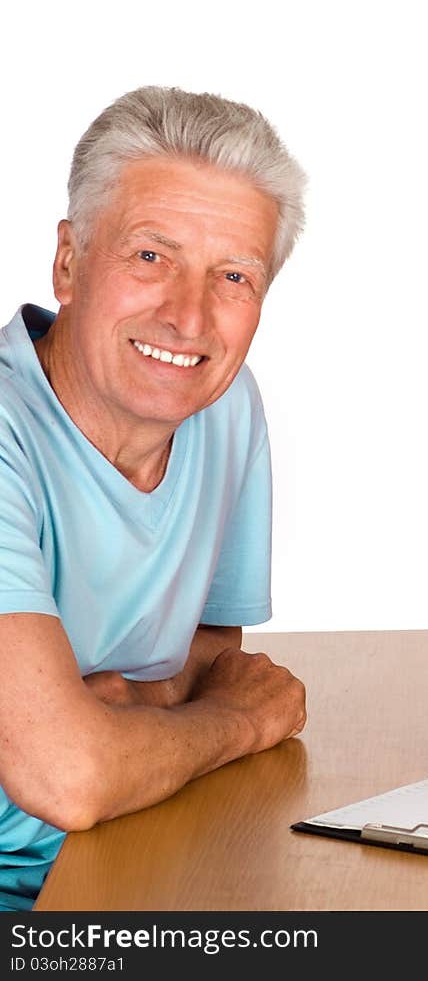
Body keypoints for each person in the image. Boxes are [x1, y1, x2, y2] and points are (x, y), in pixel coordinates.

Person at [0, 85, 308, 911]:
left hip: (121, 851)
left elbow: (211, 661)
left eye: (233, 275)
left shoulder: (225, 408)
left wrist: (140, 705)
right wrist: (236, 723)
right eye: (150, 256)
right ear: (68, 262)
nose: (188, 317)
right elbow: (67, 775)